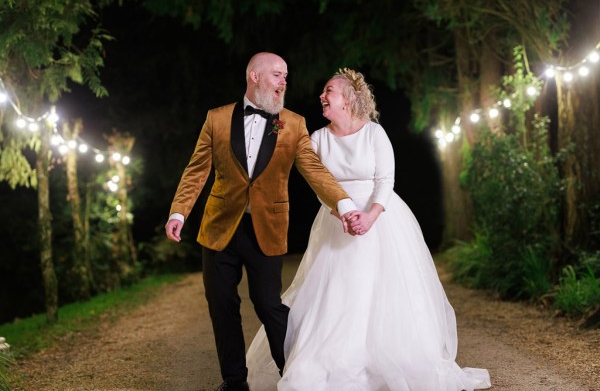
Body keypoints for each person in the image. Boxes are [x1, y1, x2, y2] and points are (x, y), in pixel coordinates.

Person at [246, 68, 492, 390]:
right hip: (336, 221)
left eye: (329, 91)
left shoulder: (374, 133)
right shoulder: (318, 139)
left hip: (381, 218)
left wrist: (371, 215)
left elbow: (385, 180)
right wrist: (342, 214)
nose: (322, 96)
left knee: (384, 291)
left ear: (348, 99)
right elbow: (318, 183)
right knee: (337, 292)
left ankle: (394, 357)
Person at [165, 53, 358, 391]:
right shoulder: (217, 118)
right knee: (221, 304)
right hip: (219, 228)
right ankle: (234, 381)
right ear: (254, 76)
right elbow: (197, 170)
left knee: (269, 304)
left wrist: (343, 203)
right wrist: (179, 211)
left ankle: (294, 376)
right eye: (277, 75)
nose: (284, 82)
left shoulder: (293, 124)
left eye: (285, 76)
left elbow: (314, 170)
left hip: (266, 228)